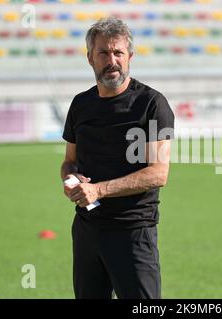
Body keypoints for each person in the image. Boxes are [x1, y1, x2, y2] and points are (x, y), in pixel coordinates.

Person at [60, 17, 174, 299]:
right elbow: (69, 160)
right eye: (103, 53)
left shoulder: (153, 104)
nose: (112, 61)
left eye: (118, 53)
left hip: (132, 232)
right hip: (87, 230)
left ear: (130, 57)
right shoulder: (80, 104)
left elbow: (158, 173)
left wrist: (98, 189)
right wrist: (70, 177)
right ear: (90, 58)